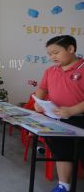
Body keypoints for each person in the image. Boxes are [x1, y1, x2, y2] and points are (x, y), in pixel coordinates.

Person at [34, 35, 84, 192]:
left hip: (80, 119)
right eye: (49, 54)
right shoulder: (51, 71)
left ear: (71, 49)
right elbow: (42, 88)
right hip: (56, 119)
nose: (52, 57)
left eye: (56, 52)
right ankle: (64, 185)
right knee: (61, 152)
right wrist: (38, 102)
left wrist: (71, 110)